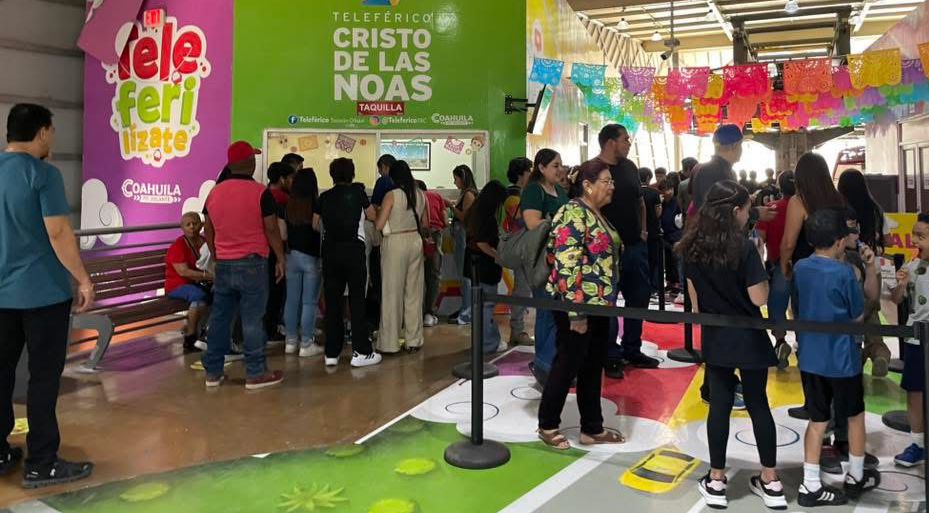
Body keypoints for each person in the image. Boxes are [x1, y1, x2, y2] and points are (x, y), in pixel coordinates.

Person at [0, 103, 95, 488]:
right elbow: (58, 233)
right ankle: (42, 462)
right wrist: (83, 279)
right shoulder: (43, 175)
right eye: (51, 131)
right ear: (41, 132)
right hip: (42, 295)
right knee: (42, 379)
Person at [677, 181, 785, 510]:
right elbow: (759, 297)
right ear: (735, 211)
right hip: (749, 335)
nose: (749, 215)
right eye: (747, 210)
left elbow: (695, 303)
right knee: (758, 404)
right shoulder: (745, 247)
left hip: (716, 336)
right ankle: (771, 480)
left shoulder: (692, 246)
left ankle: (716, 479)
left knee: (720, 406)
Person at [793, 208, 880, 506]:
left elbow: (796, 307)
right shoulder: (844, 272)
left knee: (817, 420)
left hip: (810, 356)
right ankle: (856, 475)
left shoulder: (801, 267)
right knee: (854, 416)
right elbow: (857, 315)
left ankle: (810, 484)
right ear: (840, 241)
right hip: (842, 358)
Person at [537, 158, 625, 450]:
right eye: (606, 181)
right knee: (567, 363)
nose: (612, 187)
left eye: (612, 181)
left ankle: (592, 428)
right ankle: (548, 424)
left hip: (599, 304)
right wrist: (576, 313)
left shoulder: (598, 214)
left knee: (592, 364)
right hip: (577, 305)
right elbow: (566, 264)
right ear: (587, 185)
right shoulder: (573, 212)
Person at [203, 141, 286, 390]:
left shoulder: (214, 193)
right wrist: (280, 257)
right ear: (250, 163)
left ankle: (213, 373)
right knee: (252, 319)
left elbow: (208, 229)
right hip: (253, 264)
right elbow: (271, 228)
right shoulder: (261, 193)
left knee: (220, 319)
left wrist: (217, 255)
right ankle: (255, 373)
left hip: (224, 264)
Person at [597, 124, 660, 379]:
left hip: (635, 246)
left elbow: (639, 201)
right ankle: (610, 355)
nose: (628, 143)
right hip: (606, 251)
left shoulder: (630, 167)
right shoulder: (593, 170)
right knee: (609, 302)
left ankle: (632, 348)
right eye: (625, 139)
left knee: (639, 298)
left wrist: (643, 230)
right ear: (610, 142)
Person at [317, 158, 381, 368]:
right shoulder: (358, 193)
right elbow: (372, 215)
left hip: (330, 252)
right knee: (357, 300)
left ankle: (331, 353)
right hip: (354, 251)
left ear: (332, 175)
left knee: (333, 301)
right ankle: (361, 351)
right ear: (352, 174)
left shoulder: (324, 197)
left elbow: (315, 224)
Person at [520, 149, 568, 386]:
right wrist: (561, 226)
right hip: (542, 259)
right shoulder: (533, 191)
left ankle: (556, 363)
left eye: (561, 165)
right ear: (541, 167)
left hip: (562, 259)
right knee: (547, 311)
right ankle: (544, 365)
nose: (560, 170)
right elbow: (532, 223)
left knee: (560, 313)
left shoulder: (560, 190)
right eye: (555, 165)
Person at [838, 169, 890, 376]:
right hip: (872, 264)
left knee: (853, 311)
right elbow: (887, 240)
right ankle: (879, 352)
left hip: (849, 264)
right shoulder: (876, 209)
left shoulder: (842, 210)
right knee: (871, 309)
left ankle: (856, 356)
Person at [375, 160, 427, 354]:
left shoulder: (392, 195)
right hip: (415, 241)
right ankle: (414, 339)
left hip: (395, 242)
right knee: (414, 292)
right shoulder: (420, 194)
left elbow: (379, 225)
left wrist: (377, 213)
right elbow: (425, 223)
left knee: (392, 293)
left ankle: (389, 343)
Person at [891, 213, 929, 469]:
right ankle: (917, 444)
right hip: (916, 340)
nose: (914, 240)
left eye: (921, 236)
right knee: (914, 392)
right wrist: (901, 285)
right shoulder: (912, 267)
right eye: (914, 234)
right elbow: (896, 300)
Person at [282, 169, 324, 358]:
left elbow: (283, 234)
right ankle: (306, 343)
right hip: (311, 257)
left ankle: (290, 342)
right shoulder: (316, 203)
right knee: (309, 302)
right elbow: (318, 228)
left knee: (291, 300)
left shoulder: (288, 205)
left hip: (291, 256)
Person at [755, 170, 795, 369]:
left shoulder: (771, 209)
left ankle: (780, 342)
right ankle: (805, 342)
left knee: (777, 305)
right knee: (803, 305)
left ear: (780, 187)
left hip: (778, 264)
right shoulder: (807, 208)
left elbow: (759, 239)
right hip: (804, 264)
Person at [465, 180, 509, 354]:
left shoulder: (475, 212)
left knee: (479, 306)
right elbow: (482, 243)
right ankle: (489, 343)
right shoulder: (487, 218)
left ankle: (481, 341)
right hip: (485, 266)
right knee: (486, 306)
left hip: (473, 264)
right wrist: (498, 256)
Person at [165, 212, 214, 352]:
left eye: (195, 223)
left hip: (197, 283)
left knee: (219, 293)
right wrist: (209, 276)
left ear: (201, 225)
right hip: (177, 285)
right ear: (182, 227)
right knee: (199, 296)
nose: (192, 227)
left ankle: (204, 332)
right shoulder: (178, 246)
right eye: (188, 224)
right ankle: (191, 336)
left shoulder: (205, 242)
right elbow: (183, 272)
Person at [504, 157, 534, 346]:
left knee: (523, 289)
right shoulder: (513, 196)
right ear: (522, 173)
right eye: (529, 170)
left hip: (524, 245)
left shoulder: (518, 193)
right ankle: (517, 329)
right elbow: (523, 221)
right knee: (522, 289)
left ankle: (518, 329)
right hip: (521, 246)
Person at [264, 162, 295, 344]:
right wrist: (281, 256)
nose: (292, 182)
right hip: (277, 249)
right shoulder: (283, 199)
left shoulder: (263, 194)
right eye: (290, 178)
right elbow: (278, 231)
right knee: (276, 292)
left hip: (262, 249)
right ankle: (271, 329)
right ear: (282, 179)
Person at [446, 165, 479, 325]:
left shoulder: (468, 195)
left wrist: (451, 206)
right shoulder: (466, 194)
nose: (454, 182)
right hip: (460, 236)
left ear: (462, 178)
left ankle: (467, 311)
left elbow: (465, 217)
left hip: (463, 237)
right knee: (463, 275)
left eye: (456, 179)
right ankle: (465, 308)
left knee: (465, 275)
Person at [418, 180, 447, 328]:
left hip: (415, 236)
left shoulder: (412, 196)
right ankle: (429, 314)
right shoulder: (437, 196)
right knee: (433, 275)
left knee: (416, 276)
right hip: (434, 236)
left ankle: (415, 313)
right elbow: (445, 220)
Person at [658, 179, 682, 293]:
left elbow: (680, 219)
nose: (669, 192)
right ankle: (669, 282)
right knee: (667, 259)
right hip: (664, 235)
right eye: (666, 189)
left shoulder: (677, 202)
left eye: (670, 189)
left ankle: (677, 283)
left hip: (676, 234)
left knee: (675, 259)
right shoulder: (661, 203)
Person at [640, 168, 663, 290]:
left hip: (638, 230)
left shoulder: (635, 192)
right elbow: (658, 212)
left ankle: (643, 283)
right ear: (648, 178)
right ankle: (654, 286)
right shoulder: (654, 193)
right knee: (654, 259)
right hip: (653, 230)